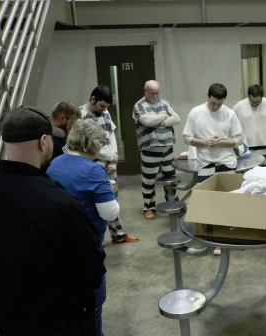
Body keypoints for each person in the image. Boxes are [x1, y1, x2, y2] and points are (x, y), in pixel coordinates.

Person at [0, 106, 106, 336]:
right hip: (60, 323)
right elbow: (93, 268)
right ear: (43, 142)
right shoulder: (61, 204)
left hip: (6, 322)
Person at [47, 119, 121, 336]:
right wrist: (109, 190)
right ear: (91, 143)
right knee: (93, 304)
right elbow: (110, 212)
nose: (100, 148)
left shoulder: (56, 163)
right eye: (99, 143)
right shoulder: (93, 171)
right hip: (86, 245)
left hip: (60, 243)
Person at [82, 85, 139, 243]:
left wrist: (114, 159)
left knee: (112, 201)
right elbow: (85, 145)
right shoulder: (81, 116)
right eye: (101, 106)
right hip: (93, 166)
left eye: (106, 107)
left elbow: (112, 133)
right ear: (93, 99)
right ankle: (93, 240)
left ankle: (118, 234)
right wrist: (109, 155)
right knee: (96, 204)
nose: (103, 110)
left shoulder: (104, 112)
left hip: (109, 165)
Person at [133, 80, 181, 220]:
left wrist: (159, 123)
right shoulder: (139, 106)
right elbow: (147, 122)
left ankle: (172, 204)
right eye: (152, 93)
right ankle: (149, 207)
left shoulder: (165, 103)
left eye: (157, 93)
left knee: (170, 179)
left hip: (167, 148)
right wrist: (165, 116)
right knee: (149, 180)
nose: (155, 96)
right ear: (145, 91)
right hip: (149, 149)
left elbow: (177, 119)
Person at [182, 83, 244, 183]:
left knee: (228, 197)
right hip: (205, 164)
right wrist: (206, 142)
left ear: (224, 99)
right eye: (213, 103)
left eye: (219, 104)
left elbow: (240, 139)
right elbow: (186, 138)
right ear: (208, 95)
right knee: (205, 197)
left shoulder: (230, 114)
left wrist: (221, 143)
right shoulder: (195, 112)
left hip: (227, 163)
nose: (215, 107)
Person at [232, 84, 266, 165]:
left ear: (262, 97)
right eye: (252, 101)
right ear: (249, 96)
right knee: (249, 172)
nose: (255, 104)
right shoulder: (239, 106)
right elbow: (231, 124)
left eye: (258, 101)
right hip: (246, 146)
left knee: (265, 172)